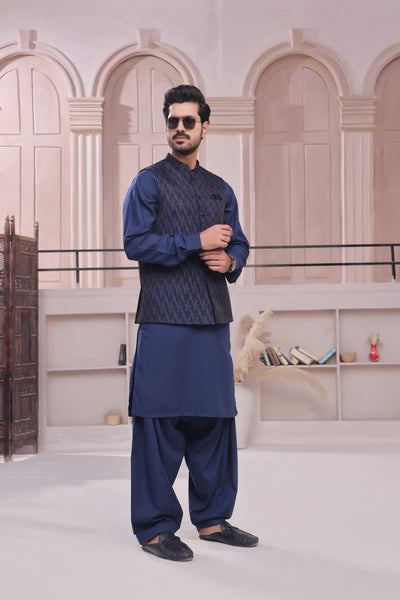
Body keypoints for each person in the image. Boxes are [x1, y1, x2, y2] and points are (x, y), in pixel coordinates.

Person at [123, 84, 258, 562]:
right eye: (172, 121)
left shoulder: (220, 188)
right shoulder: (149, 182)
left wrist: (231, 260)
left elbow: (240, 242)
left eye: (188, 121)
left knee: (215, 419)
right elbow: (136, 244)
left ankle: (213, 520)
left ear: (205, 126)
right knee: (159, 420)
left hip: (212, 317)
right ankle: (155, 529)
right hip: (164, 319)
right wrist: (194, 241)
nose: (179, 128)